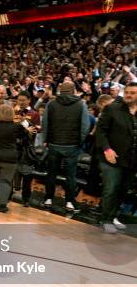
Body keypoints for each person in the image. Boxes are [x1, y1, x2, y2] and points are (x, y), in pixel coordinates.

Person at [40, 82, 90, 212]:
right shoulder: (81, 104)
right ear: (73, 91)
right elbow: (85, 126)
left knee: (51, 173)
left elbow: (45, 123)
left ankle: (48, 199)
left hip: (54, 144)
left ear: (60, 91)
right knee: (71, 175)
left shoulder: (51, 104)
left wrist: (45, 139)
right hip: (72, 145)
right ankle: (69, 202)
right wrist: (80, 141)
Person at [96, 82, 137, 233]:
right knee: (111, 188)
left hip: (131, 160)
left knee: (122, 190)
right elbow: (100, 132)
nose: (128, 95)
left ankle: (113, 216)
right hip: (111, 158)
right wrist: (107, 149)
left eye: (133, 93)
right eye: (127, 92)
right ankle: (105, 219)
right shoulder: (112, 108)